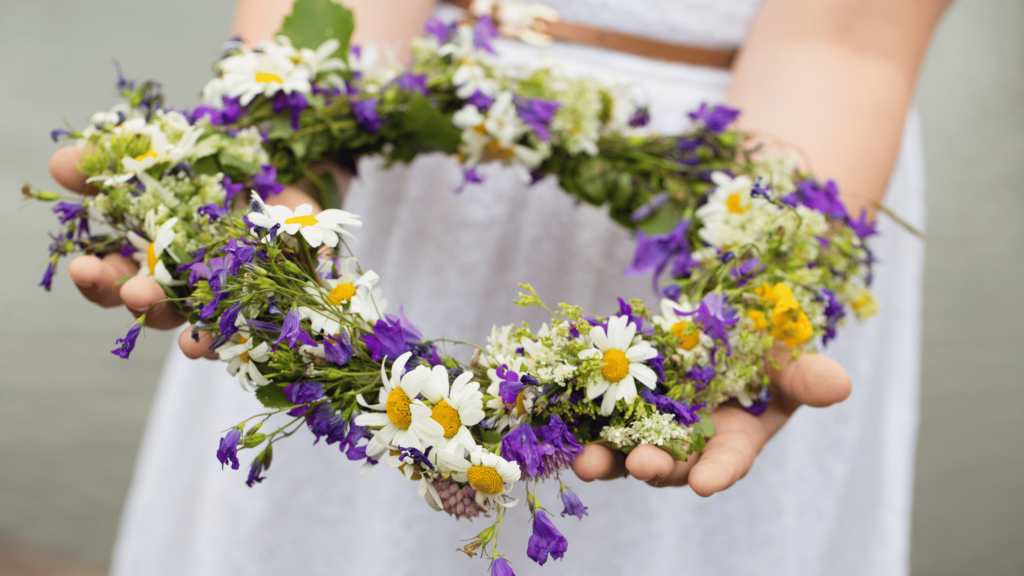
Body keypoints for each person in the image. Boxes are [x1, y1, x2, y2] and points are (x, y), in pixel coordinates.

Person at [46, 0, 948, 573]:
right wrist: (291, 167)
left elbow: (848, 37)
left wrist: (754, 294)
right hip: (397, 107)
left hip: (751, 150)